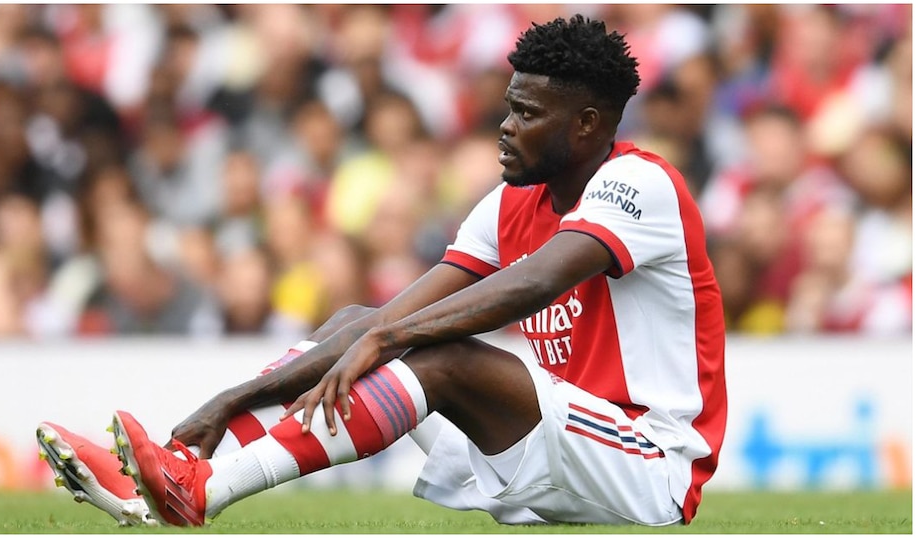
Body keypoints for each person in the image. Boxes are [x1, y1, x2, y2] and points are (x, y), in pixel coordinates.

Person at [37, 16, 726, 528]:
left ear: (587, 124)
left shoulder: (641, 183)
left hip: (646, 467)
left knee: (435, 352)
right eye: (508, 108)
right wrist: (232, 398)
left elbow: (534, 283)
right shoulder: (509, 203)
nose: (505, 126)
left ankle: (202, 493)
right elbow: (391, 318)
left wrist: (390, 338)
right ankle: (169, 475)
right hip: (557, 452)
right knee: (355, 320)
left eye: (527, 113)